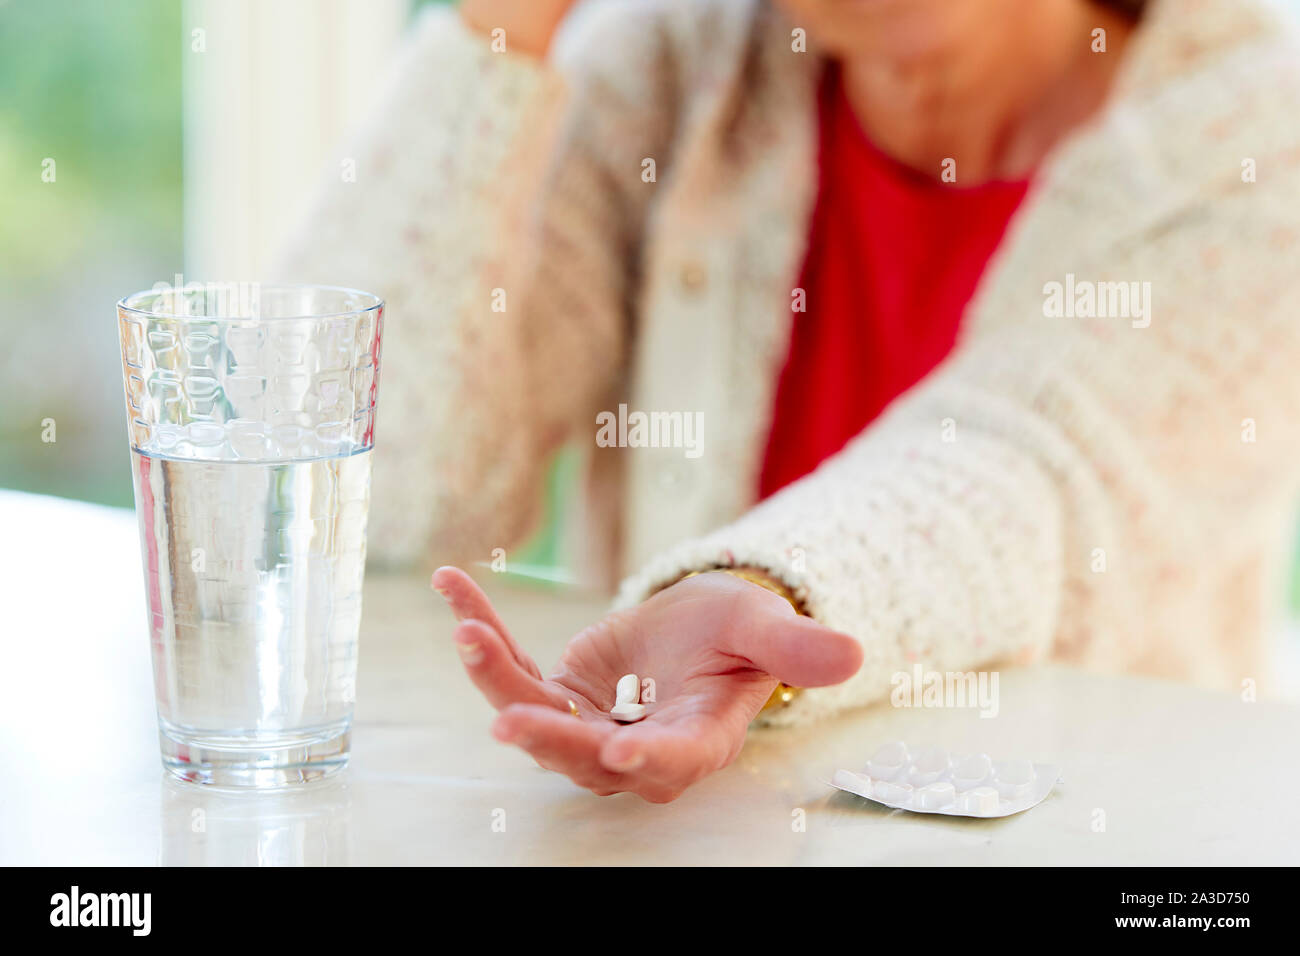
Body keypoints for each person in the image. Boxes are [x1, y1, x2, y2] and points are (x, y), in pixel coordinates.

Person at [276, 0, 1300, 802]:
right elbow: (380, 498)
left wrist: (760, 590)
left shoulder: (1252, 123)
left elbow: (1029, 464)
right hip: (698, 835)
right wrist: (505, 26)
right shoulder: (665, 70)